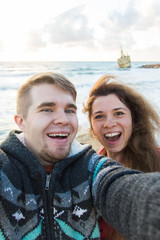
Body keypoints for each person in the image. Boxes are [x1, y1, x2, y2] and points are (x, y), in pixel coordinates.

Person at [1, 72, 160, 240]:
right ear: (20, 122)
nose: (63, 119)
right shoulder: (4, 168)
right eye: (47, 109)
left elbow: (123, 188)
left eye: (69, 110)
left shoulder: (92, 168)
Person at [83, 74, 160, 240]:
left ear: (133, 118)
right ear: (91, 126)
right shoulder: (87, 172)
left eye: (118, 113)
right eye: (99, 116)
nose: (109, 123)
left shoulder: (158, 158)